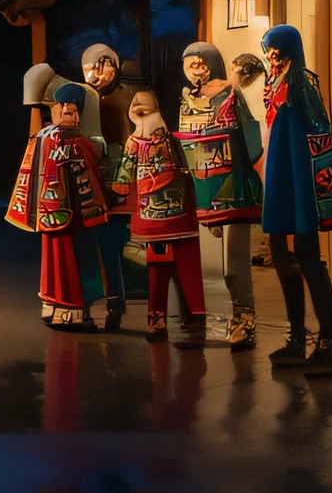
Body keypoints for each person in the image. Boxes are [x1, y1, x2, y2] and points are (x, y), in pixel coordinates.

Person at [260, 24, 332, 376]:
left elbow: (320, 126)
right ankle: (297, 338)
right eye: (267, 48)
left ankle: (327, 343)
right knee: (280, 255)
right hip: (279, 174)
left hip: (298, 175)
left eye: (275, 48)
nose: (270, 54)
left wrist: (318, 185)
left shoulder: (301, 80)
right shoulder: (274, 82)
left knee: (307, 255)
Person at [175, 42, 265, 349]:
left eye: (201, 63)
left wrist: (251, 171)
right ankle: (208, 320)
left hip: (235, 186)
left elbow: (251, 136)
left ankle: (244, 318)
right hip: (202, 188)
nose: (195, 70)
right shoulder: (187, 101)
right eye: (189, 65)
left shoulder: (231, 94)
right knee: (207, 267)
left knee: (233, 264)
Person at [7, 84, 116, 328]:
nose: (67, 113)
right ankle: (54, 302)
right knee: (55, 259)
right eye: (62, 108)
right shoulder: (48, 139)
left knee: (75, 259)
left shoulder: (77, 142)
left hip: (74, 214)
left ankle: (72, 308)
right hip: (52, 211)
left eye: (71, 109)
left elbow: (91, 173)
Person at [119, 90, 207, 345]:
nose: (140, 113)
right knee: (174, 269)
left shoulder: (142, 142)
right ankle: (189, 323)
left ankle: (167, 322)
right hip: (170, 219)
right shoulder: (165, 140)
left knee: (171, 270)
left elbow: (122, 183)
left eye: (144, 110)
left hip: (163, 219)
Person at [79, 46, 134, 332]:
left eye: (105, 66)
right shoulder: (79, 98)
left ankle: (115, 303)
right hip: (85, 180)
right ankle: (84, 304)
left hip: (117, 180)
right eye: (91, 67)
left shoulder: (129, 96)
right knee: (86, 247)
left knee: (112, 247)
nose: (98, 74)